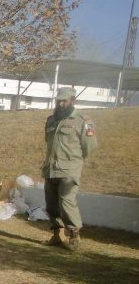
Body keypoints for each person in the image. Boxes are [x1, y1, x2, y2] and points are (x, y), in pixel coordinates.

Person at [42, 87, 97, 250]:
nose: (61, 104)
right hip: (51, 168)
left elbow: (90, 146)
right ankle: (56, 235)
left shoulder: (83, 121)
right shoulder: (51, 120)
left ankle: (74, 235)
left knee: (67, 201)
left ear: (73, 101)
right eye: (58, 100)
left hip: (69, 169)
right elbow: (49, 142)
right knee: (51, 204)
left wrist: (76, 162)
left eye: (64, 101)